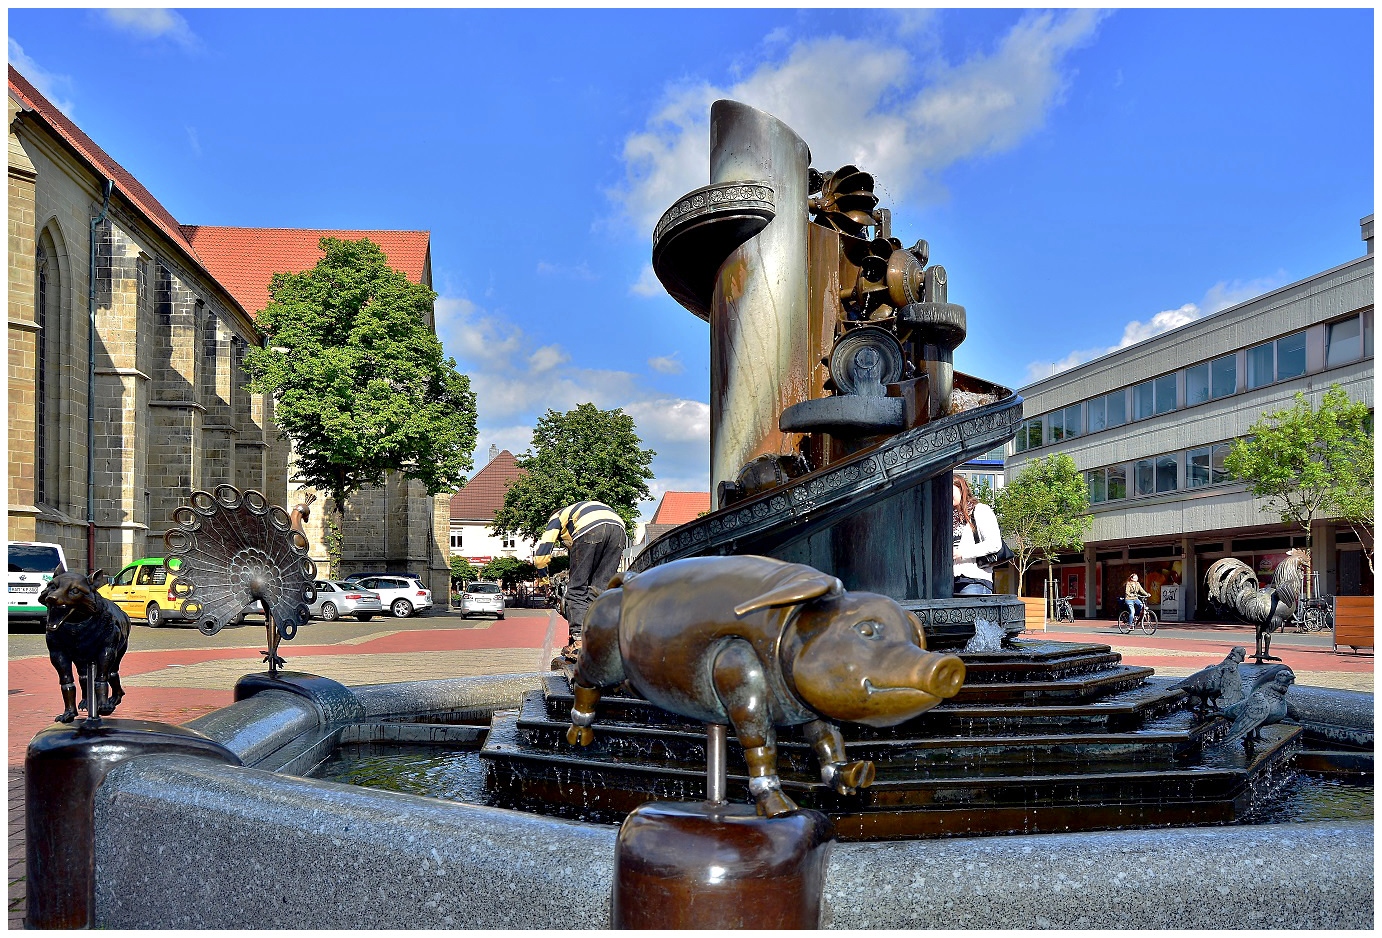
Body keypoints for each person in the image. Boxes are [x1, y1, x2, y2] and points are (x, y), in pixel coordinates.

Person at [533, 500, 627, 661]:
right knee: (600, 589)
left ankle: (579, 643)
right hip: (619, 529)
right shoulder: (578, 511)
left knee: (576, 589)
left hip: (590, 530)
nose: (567, 545)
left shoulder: (557, 517)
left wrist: (544, 582)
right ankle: (599, 639)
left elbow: (540, 558)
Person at [952, 475, 1003, 595]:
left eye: (950, 490)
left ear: (961, 489)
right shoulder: (948, 517)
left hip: (974, 580)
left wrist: (961, 553)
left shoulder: (980, 510)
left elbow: (994, 543)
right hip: (950, 582)